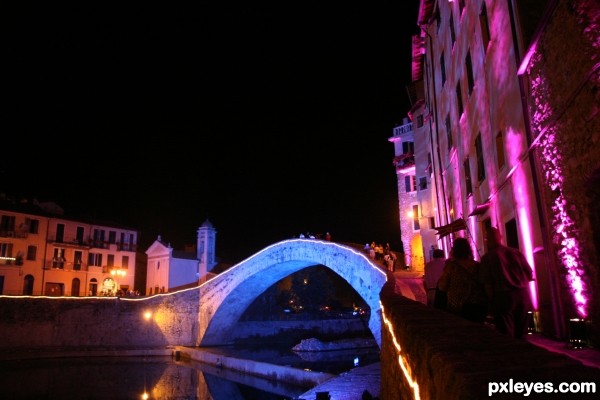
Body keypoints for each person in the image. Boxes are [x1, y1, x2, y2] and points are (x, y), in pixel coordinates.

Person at [480, 227, 534, 339]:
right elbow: (529, 273)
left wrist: (491, 301)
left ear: (487, 240)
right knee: (522, 332)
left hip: (503, 296)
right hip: (522, 294)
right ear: (500, 237)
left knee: (506, 333)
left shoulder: (487, 258)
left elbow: (488, 284)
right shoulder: (516, 252)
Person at [437, 237, 488, 323]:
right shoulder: (477, 265)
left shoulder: (451, 267)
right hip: (478, 304)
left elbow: (442, 287)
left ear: (455, 250)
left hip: (458, 306)